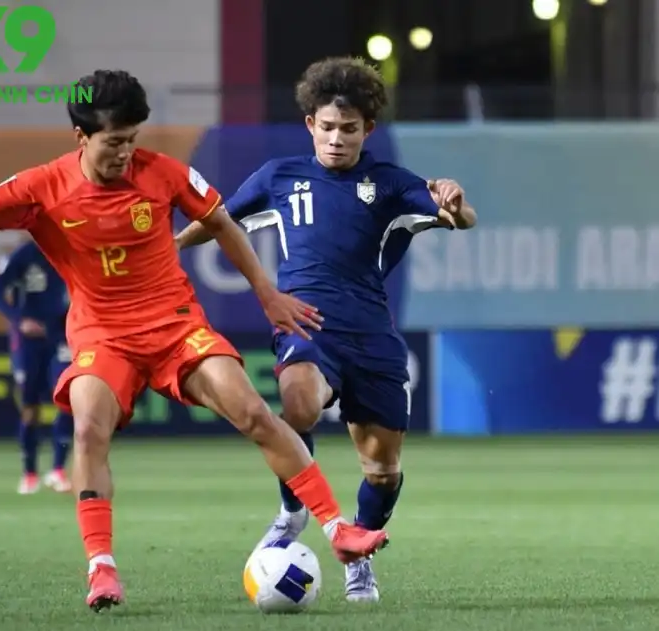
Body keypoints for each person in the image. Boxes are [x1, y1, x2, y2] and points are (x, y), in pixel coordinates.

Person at [0, 69, 391, 614]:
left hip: (176, 327)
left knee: (254, 411)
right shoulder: (44, 185)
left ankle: (337, 529)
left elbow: (223, 223)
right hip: (102, 335)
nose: (125, 153)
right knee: (88, 429)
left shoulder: (163, 173)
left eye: (132, 140)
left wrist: (266, 292)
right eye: (114, 142)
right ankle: (101, 569)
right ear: (81, 137)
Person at [174, 56, 477, 603]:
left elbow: (460, 218)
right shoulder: (278, 177)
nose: (337, 139)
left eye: (349, 129)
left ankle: (359, 560)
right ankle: (293, 512)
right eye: (328, 127)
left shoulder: (390, 184)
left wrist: (454, 200)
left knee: (382, 471)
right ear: (310, 124)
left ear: (368, 129)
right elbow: (216, 219)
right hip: (307, 323)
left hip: (373, 339)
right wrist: (163, 248)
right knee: (298, 406)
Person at [0, 239, 73, 495]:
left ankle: (58, 469)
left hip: (62, 336)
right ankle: (30, 472)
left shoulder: (72, 248)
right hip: (29, 341)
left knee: (69, 398)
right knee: (30, 408)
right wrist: (19, 319)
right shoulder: (25, 255)